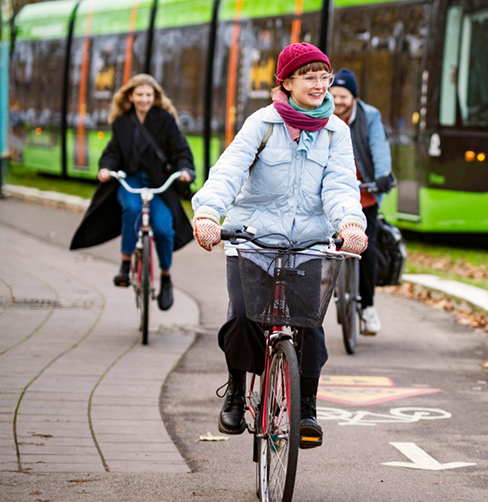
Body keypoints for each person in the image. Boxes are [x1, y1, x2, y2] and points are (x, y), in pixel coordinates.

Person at [191, 43, 370, 449]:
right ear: (286, 82)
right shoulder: (263, 124)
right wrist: (207, 215)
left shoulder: (335, 131)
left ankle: (306, 405)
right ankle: (237, 387)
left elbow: (341, 185)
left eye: (324, 77)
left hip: (308, 241)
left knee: (311, 324)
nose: (320, 85)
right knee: (242, 318)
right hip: (252, 239)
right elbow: (228, 172)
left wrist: (350, 223)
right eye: (309, 76)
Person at [70, 74, 196, 310]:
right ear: (130, 96)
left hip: (158, 183)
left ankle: (166, 277)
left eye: (148, 95)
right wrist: (106, 168)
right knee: (131, 208)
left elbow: (180, 149)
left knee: (162, 228)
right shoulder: (122, 123)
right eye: (139, 94)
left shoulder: (166, 120)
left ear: (154, 97)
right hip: (131, 180)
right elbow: (113, 151)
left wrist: (186, 170)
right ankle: (126, 264)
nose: (144, 99)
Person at [329, 68, 397, 335]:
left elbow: (380, 148)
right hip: (332, 193)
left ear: (354, 98)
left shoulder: (369, 117)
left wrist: (382, 176)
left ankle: (367, 306)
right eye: (333, 95)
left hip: (364, 191)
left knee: (366, 249)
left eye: (343, 96)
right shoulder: (322, 114)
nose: (338, 101)